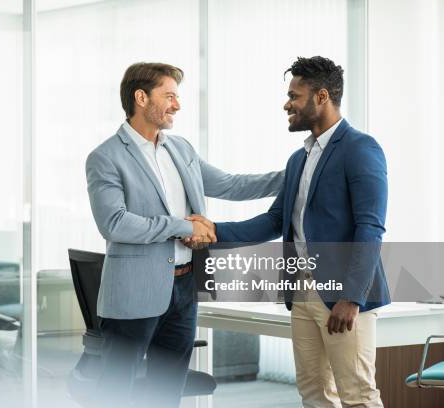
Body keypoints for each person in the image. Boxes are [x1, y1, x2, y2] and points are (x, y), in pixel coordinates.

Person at [189, 56, 390, 407]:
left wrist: (352, 298)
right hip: (302, 291)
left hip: (343, 296)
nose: (287, 104)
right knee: (313, 391)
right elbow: (273, 220)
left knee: (357, 394)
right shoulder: (299, 159)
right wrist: (214, 231)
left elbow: (370, 227)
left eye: (294, 96)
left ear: (322, 97)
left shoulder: (360, 148)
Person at [85, 62, 283, 407]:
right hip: (134, 292)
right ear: (141, 97)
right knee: (115, 393)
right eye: (170, 96)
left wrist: (294, 174)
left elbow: (231, 184)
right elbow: (114, 223)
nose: (177, 105)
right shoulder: (106, 157)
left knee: (167, 391)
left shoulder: (181, 149)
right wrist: (183, 226)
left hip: (184, 287)